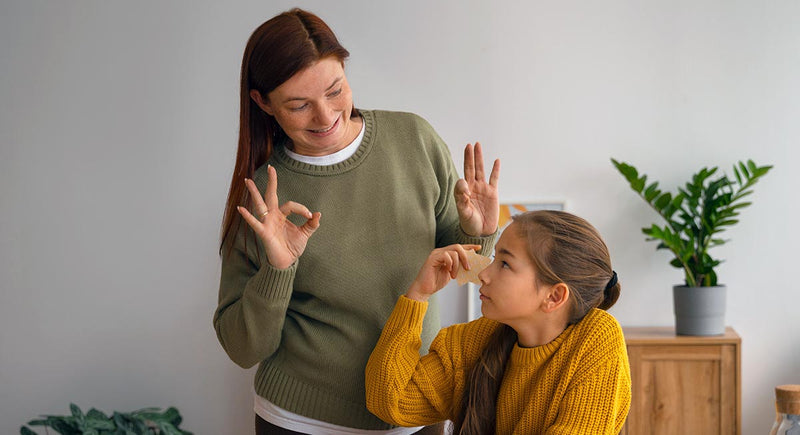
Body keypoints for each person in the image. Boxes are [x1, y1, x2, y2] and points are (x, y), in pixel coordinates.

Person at [212, 8, 501, 435]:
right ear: (263, 103)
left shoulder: (414, 140)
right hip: (304, 421)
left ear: (345, 69)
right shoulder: (264, 195)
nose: (325, 115)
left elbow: (471, 274)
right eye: (298, 105)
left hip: (414, 407)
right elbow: (242, 348)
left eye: (335, 90)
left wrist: (478, 235)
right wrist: (278, 270)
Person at [365, 210, 631, 434]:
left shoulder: (596, 338)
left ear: (554, 296)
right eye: (494, 260)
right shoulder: (477, 339)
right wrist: (417, 295)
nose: (484, 275)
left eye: (504, 264)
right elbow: (389, 402)